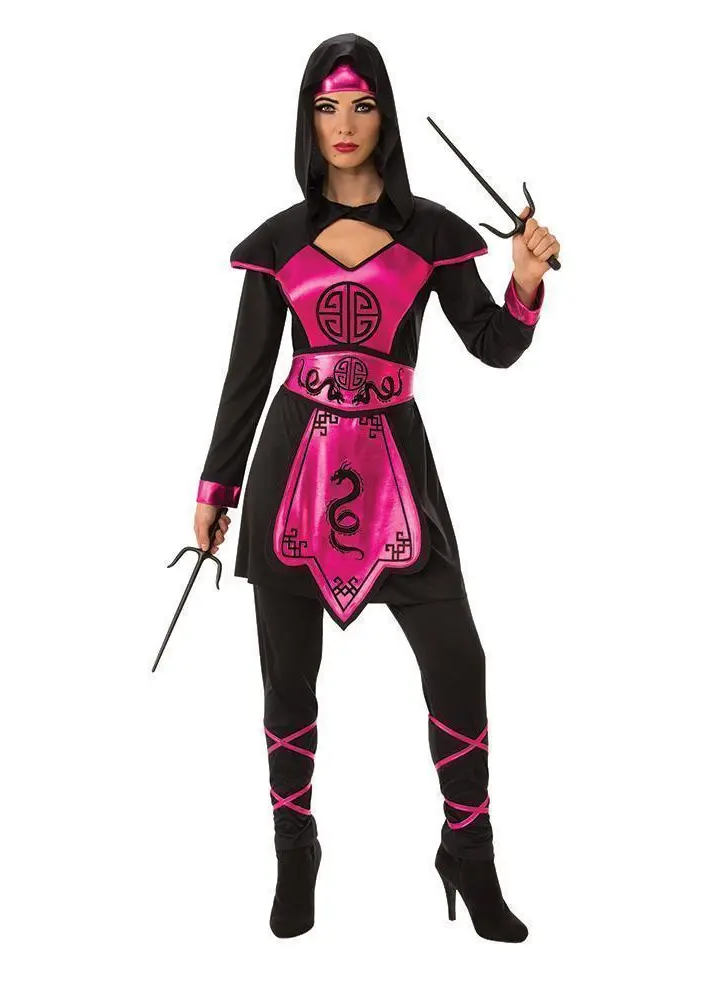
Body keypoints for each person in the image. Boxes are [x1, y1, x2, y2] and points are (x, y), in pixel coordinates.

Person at [192, 33, 559, 939]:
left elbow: (493, 346)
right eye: (327, 106)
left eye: (361, 105)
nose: (345, 123)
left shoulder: (432, 233)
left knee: (460, 662)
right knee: (288, 685)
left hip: (400, 479)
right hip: (291, 483)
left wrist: (522, 283)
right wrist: (215, 488)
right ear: (308, 120)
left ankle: (469, 853)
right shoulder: (277, 245)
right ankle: (295, 852)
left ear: (385, 116)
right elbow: (246, 377)